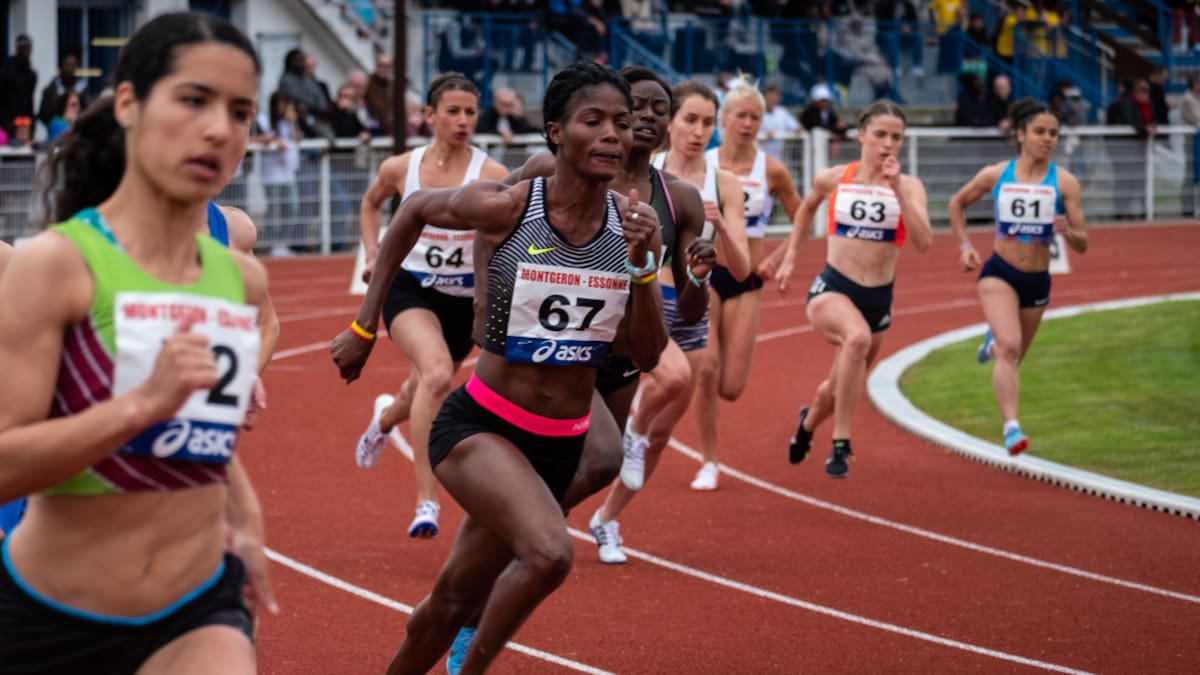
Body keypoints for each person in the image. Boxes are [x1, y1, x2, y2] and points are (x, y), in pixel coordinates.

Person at [332, 60, 668, 675]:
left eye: (622, 123)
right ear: (554, 132)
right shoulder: (510, 206)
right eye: (592, 121)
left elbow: (646, 355)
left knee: (448, 603)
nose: (612, 135)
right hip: (481, 426)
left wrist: (646, 267)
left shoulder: (632, 228)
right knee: (549, 554)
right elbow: (409, 214)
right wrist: (364, 326)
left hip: (558, 445)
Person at [0, 12, 273, 672]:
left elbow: (194, 432)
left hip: (197, 608)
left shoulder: (237, 276)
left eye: (240, 111)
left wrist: (248, 518)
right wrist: (139, 403)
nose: (219, 128)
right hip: (50, 619)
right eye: (193, 99)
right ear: (128, 103)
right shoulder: (55, 266)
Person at [589, 78, 748, 563]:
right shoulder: (642, 169)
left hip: (693, 309)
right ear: (669, 123)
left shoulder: (725, 183)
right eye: (690, 120)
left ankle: (606, 520)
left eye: (708, 123)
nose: (698, 132)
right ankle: (628, 434)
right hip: (647, 303)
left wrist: (719, 227)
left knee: (661, 436)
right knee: (667, 384)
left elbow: (742, 270)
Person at [354, 72, 509, 539]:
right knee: (438, 373)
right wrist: (373, 253)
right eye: (453, 111)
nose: (463, 121)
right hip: (411, 288)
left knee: (420, 386)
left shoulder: (491, 175)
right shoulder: (402, 167)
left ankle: (384, 419)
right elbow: (370, 203)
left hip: (464, 300)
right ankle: (427, 500)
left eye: (470, 112)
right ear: (429, 116)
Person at [777, 101, 933, 478]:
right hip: (833, 287)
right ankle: (841, 444)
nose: (888, 144)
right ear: (861, 135)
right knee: (857, 340)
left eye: (896, 137)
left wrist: (896, 189)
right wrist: (790, 256)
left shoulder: (909, 186)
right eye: (880, 134)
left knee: (834, 389)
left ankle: (808, 424)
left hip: (878, 298)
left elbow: (925, 241)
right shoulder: (834, 177)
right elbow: (806, 207)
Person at [948, 98, 1088, 454]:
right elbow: (956, 203)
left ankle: (990, 344)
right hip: (999, 273)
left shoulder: (1065, 182)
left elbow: (1083, 242)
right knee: (1011, 349)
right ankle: (1011, 428)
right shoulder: (997, 175)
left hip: (1037, 282)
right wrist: (964, 245)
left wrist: (1068, 233)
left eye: (1054, 133)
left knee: (1012, 355)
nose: (1048, 139)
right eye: (1040, 131)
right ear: (1021, 134)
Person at [697, 76, 803, 490]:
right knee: (705, 371)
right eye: (740, 115)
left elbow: (805, 217)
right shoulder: (703, 164)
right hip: (705, 274)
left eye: (755, 117)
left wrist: (780, 258)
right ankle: (708, 461)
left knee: (731, 387)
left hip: (748, 278)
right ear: (722, 119)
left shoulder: (771, 170)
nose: (747, 123)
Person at [0, 35, 36, 133]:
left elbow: (29, 100)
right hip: (8, 122)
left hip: (25, 123)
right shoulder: (6, 71)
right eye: (24, 48)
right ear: (18, 49)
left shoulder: (31, 74)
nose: (27, 51)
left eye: (29, 48)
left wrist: (32, 122)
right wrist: (6, 121)